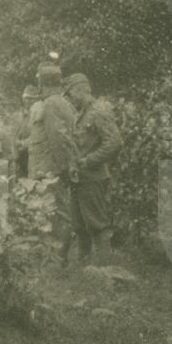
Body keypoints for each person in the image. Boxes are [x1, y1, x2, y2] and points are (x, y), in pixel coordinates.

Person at [65, 73, 122, 265]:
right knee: (79, 225)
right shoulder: (80, 113)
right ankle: (85, 269)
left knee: (97, 225)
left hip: (93, 177)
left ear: (80, 90)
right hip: (79, 178)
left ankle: (105, 269)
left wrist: (89, 161)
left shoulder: (99, 111)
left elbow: (114, 143)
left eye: (71, 94)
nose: (70, 98)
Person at [27, 62, 78, 266]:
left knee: (55, 214)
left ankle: (57, 260)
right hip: (49, 169)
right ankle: (52, 259)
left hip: (49, 171)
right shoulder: (61, 102)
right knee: (52, 213)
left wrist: (63, 169)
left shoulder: (51, 104)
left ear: (42, 83)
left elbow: (58, 139)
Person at [11, 85, 40, 178]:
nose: (29, 101)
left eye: (32, 99)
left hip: (34, 155)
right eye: (27, 98)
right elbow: (13, 135)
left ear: (36, 100)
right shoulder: (17, 116)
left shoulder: (39, 115)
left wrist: (24, 143)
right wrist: (15, 155)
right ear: (23, 99)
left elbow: (38, 136)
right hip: (20, 156)